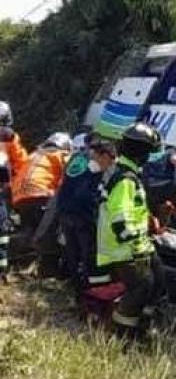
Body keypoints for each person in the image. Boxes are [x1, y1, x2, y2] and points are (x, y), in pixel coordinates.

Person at [95, 122, 164, 335]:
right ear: (141, 153)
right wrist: (134, 245)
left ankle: (145, 326)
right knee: (140, 288)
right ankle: (121, 334)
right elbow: (120, 220)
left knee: (157, 282)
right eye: (150, 152)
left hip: (140, 246)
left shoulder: (127, 174)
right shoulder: (125, 179)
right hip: (126, 248)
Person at [56, 134, 114, 292]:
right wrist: (100, 200)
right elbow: (84, 194)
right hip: (81, 215)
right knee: (89, 252)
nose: (109, 165)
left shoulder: (78, 157)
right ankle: (91, 290)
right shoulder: (93, 167)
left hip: (65, 209)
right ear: (102, 154)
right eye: (110, 160)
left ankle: (73, 284)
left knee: (72, 250)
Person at [11, 132, 71, 273]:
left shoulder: (34, 154)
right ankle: (48, 270)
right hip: (41, 193)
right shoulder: (60, 155)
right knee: (49, 232)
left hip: (20, 197)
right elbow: (71, 175)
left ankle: (18, 256)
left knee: (30, 229)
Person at [0, 101, 27, 274]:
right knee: (2, 226)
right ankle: (3, 265)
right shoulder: (9, 136)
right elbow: (21, 162)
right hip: (3, 187)